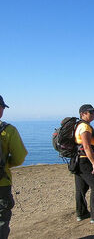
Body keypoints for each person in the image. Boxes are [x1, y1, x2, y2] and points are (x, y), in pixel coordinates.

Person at [0, 95, 27, 238]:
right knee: (1, 220)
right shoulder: (8, 130)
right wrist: (5, 164)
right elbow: (19, 157)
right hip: (1, 182)